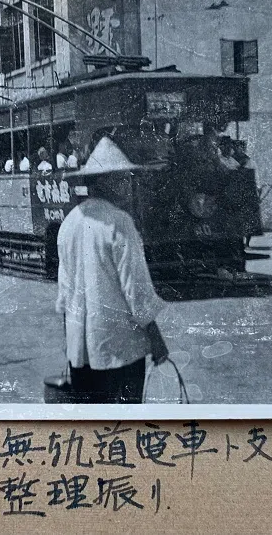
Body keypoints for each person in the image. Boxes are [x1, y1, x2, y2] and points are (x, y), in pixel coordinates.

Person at [55, 136, 170, 403]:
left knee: (92, 421)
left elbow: (65, 293)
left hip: (80, 351)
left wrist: (71, 345)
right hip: (120, 351)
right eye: (124, 179)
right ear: (108, 182)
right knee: (125, 420)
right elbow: (136, 290)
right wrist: (156, 338)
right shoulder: (119, 222)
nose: (129, 185)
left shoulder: (69, 223)